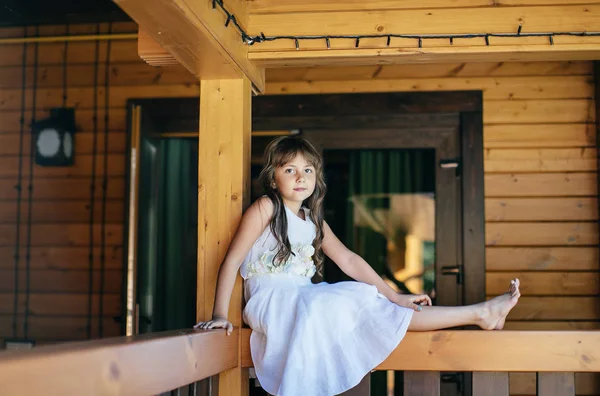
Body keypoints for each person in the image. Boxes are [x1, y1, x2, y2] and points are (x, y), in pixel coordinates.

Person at [194, 136, 520, 396]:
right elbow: (232, 259)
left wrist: (394, 296)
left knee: (372, 303)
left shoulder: (312, 219)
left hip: (304, 298)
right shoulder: (266, 207)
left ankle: (480, 313)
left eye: (307, 170)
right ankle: (480, 314)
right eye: (289, 169)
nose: (300, 177)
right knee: (343, 302)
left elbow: (348, 259)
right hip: (273, 300)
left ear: (316, 178)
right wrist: (220, 315)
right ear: (273, 177)